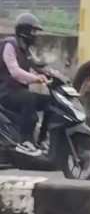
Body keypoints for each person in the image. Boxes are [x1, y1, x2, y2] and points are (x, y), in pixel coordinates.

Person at [0, 12, 55, 156]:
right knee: (28, 97)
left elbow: (39, 65)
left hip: (18, 91)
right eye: (33, 31)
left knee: (50, 100)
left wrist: (56, 75)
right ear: (24, 31)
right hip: (6, 92)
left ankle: (42, 139)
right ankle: (24, 141)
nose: (35, 35)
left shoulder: (26, 49)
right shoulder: (10, 46)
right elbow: (15, 71)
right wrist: (35, 78)